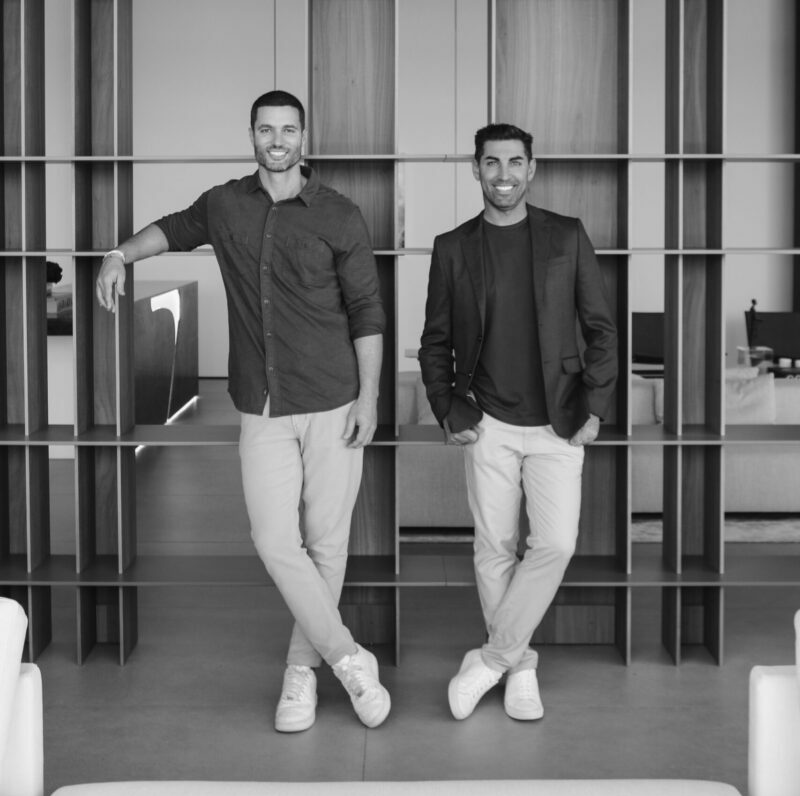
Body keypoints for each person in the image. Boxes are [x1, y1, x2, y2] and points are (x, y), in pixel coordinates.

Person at [96, 90, 390, 733]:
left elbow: (368, 310)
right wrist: (119, 254)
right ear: (251, 135)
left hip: (334, 398)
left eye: (288, 130)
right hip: (261, 400)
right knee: (273, 539)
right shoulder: (224, 204)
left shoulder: (340, 214)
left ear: (304, 137)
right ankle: (348, 657)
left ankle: (300, 670)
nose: (277, 140)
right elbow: (170, 230)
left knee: (328, 544)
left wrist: (370, 398)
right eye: (265, 130)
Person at [419, 122, 617, 722]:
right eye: (491, 162)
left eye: (513, 163)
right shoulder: (453, 247)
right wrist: (446, 408)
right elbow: (435, 342)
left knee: (555, 543)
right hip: (487, 422)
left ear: (531, 169)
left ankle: (494, 659)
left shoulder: (567, 235)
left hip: (560, 421)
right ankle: (521, 668)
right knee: (495, 548)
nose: (502, 174)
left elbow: (601, 331)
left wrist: (596, 407)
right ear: (475, 170)